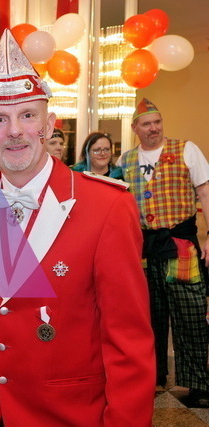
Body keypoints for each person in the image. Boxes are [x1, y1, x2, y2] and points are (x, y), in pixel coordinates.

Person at [0, 29, 155, 426]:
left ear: (49, 125)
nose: (14, 131)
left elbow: (129, 342)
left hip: (67, 414)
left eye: (27, 116)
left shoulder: (107, 206)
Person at [119, 97, 209, 407]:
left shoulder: (186, 149)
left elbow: (205, 192)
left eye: (157, 122)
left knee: (190, 315)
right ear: (135, 128)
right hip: (144, 250)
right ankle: (152, 377)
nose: (153, 128)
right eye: (147, 124)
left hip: (181, 245)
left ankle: (198, 384)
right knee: (148, 317)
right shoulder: (125, 161)